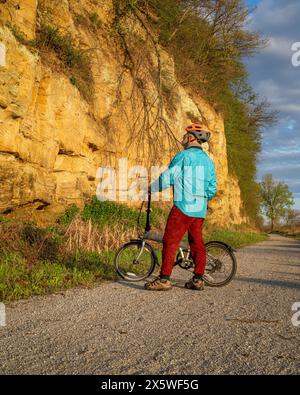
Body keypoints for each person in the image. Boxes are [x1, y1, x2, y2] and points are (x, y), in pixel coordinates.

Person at [144, 123, 217, 291]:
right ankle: (198, 279)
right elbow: (212, 188)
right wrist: (202, 198)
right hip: (199, 209)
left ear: (192, 137)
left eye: (186, 135)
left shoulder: (183, 156)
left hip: (183, 207)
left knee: (170, 241)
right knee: (196, 242)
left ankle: (164, 279)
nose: (183, 138)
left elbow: (168, 177)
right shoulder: (208, 161)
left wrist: (152, 188)